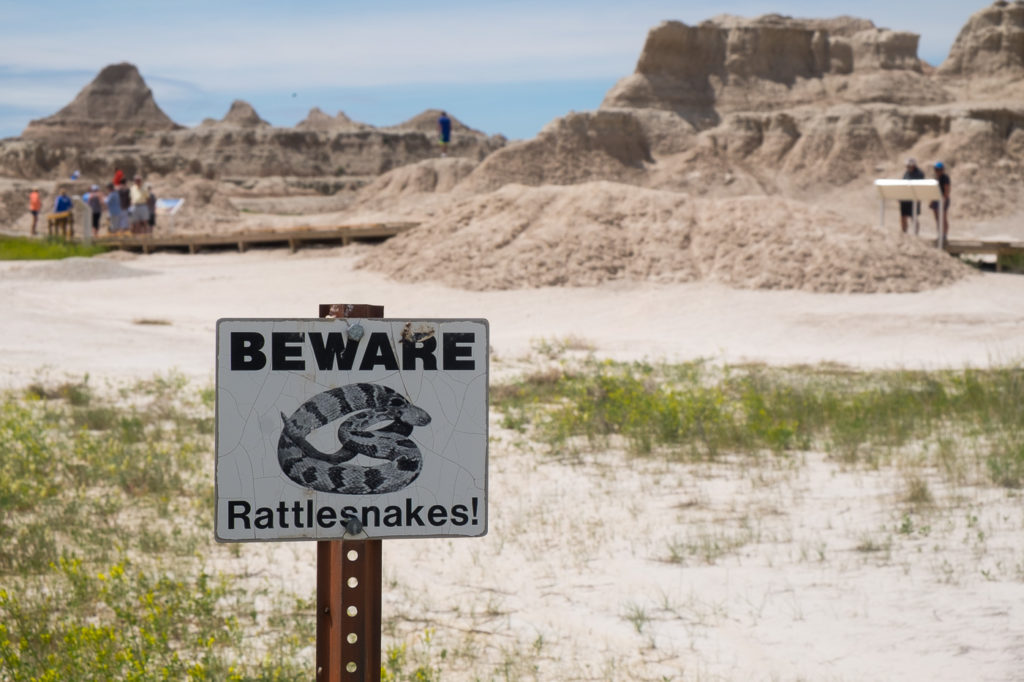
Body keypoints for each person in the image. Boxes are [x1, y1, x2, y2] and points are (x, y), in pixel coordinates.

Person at [899, 158, 924, 233]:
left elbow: (920, 186)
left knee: (914, 217)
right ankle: (904, 232)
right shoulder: (906, 173)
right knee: (903, 216)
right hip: (905, 198)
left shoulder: (919, 174)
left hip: (914, 198)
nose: (908, 167)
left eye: (909, 166)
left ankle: (916, 233)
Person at [930, 161, 951, 242]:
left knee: (943, 218)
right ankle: (939, 234)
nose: (937, 171)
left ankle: (944, 235)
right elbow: (933, 190)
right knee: (937, 218)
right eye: (936, 169)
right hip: (936, 199)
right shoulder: (936, 178)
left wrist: (944, 200)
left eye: (939, 169)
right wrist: (932, 200)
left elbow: (947, 190)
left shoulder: (945, 178)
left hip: (943, 199)